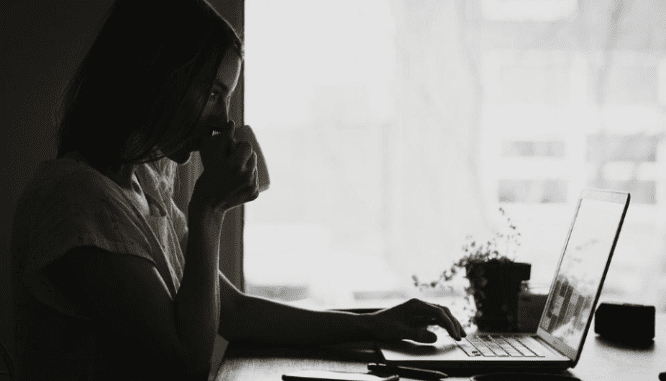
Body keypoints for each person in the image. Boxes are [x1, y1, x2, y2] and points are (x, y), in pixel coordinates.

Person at [10, 0, 466, 380]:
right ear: (154, 77)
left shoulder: (143, 186)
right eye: (212, 93)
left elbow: (234, 311)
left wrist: (376, 324)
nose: (224, 119)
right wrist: (208, 210)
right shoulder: (76, 199)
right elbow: (182, 367)